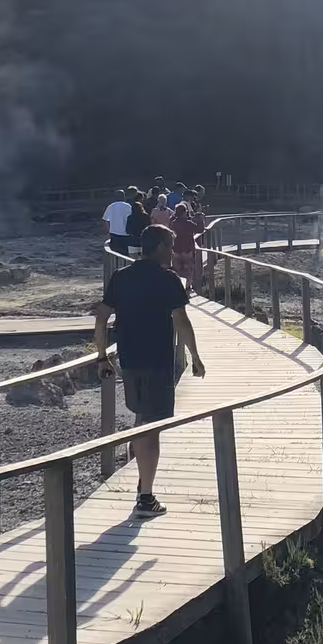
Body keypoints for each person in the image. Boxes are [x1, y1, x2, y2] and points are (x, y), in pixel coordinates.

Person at [93, 223, 206, 518]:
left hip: (129, 360)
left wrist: (102, 356)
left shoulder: (121, 276)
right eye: (169, 245)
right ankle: (145, 498)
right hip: (157, 362)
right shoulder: (168, 279)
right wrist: (195, 356)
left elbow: (102, 317)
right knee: (151, 429)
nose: (172, 250)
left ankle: (142, 478)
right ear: (157, 247)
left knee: (141, 417)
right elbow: (181, 321)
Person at [170, 197, 203, 287]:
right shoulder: (188, 223)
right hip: (187, 249)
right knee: (188, 269)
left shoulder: (173, 223)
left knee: (177, 270)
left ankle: (178, 286)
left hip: (176, 249)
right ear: (185, 212)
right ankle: (188, 286)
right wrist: (200, 220)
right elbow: (199, 230)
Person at [103, 188, 133, 254]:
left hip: (114, 234)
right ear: (124, 196)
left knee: (115, 254)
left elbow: (105, 220)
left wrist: (109, 231)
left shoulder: (111, 206)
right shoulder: (128, 206)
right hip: (125, 234)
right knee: (124, 254)